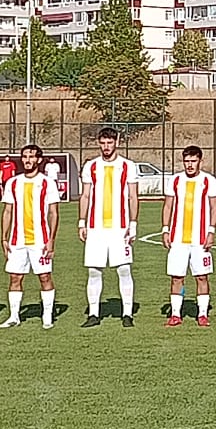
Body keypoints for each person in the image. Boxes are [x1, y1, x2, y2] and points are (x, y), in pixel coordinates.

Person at [80, 127, 139, 326]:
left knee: (123, 269)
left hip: (119, 228)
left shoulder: (128, 166)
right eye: (103, 142)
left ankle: (127, 314)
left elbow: (133, 196)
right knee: (94, 270)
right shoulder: (91, 166)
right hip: (95, 228)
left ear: (117, 142)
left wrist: (133, 224)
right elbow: (85, 195)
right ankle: (93, 314)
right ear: (99, 143)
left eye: (110, 142)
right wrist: (82, 222)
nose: (106, 146)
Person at [0, 142, 59, 327]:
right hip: (17, 240)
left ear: (38, 160)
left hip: (40, 240)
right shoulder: (13, 182)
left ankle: (47, 315)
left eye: (31, 157)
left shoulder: (47, 182)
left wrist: (51, 240)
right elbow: (8, 211)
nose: (27, 160)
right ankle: (14, 316)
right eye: (25, 157)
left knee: (44, 277)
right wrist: (4, 237)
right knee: (15, 277)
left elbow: (53, 212)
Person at [163, 144, 216, 326]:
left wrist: (211, 231)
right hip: (178, 239)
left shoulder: (208, 180)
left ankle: (202, 314)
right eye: (187, 161)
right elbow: (168, 206)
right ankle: (175, 314)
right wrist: (165, 229)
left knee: (201, 276)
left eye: (193, 161)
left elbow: (214, 207)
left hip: (200, 239)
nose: (190, 165)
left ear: (200, 161)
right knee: (176, 277)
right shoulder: (175, 180)